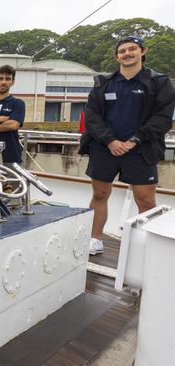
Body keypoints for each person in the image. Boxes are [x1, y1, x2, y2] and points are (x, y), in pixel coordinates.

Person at [78, 36, 175, 255]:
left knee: (146, 199)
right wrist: (110, 141)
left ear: (143, 51)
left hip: (141, 148)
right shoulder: (103, 83)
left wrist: (134, 140)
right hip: (104, 148)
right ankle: (94, 239)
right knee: (100, 194)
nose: (127, 53)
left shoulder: (159, 82)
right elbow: (92, 117)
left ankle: (149, 247)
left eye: (132, 49)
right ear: (116, 56)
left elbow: (163, 118)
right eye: (122, 51)